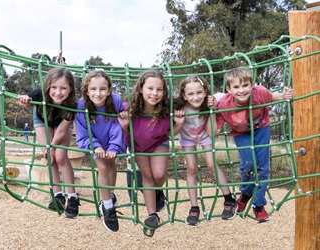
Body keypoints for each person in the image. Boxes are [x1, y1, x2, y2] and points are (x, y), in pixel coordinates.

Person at [207, 67, 293, 223]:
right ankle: (246, 193)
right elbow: (214, 132)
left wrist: (284, 95)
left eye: (245, 85)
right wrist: (211, 111)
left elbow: (273, 97)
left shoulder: (259, 93)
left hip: (262, 128)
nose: (241, 90)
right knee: (248, 164)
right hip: (240, 133)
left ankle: (258, 205)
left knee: (262, 167)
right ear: (229, 89)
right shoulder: (224, 105)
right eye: (236, 87)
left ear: (251, 85)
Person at [118, 70, 185, 237]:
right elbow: (123, 131)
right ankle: (152, 215)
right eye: (150, 88)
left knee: (159, 174)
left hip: (158, 143)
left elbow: (170, 133)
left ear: (164, 91)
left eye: (159, 89)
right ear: (141, 89)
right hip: (137, 145)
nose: (154, 93)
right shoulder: (129, 108)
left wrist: (179, 124)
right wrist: (124, 124)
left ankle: (157, 191)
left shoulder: (167, 108)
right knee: (147, 177)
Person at [174, 75, 237, 226]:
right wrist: (176, 117)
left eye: (199, 92)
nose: (196, 97)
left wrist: (213, 106)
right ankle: (194, 207)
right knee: (191, 168)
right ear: (184, 95)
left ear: (205, 91)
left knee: (211, 164)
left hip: (205, 134)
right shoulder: (179, 106)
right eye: (190, 94)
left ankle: (229, 199)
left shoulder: (211, 100)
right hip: (187, 137)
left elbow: (229, 96)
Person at [17, 67, 80, 219]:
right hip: (42, 118)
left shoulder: (72, 104)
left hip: (61, 125)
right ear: (47, 87)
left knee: (60, 156)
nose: (58, 92)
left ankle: (72, 197)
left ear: (70, 88)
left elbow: (61, 132)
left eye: (63, 88)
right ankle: (57, 195)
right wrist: (23, 100)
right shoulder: (39, 94)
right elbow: (25, 103)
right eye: (54, 87)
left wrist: (51, 146)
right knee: (48, 156)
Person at [75, 70, 125, 233]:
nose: (98, 93)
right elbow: (83, 130)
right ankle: (108, 207)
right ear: (87, 91)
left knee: (112, 164)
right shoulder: (82, 105)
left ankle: (110, 193)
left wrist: (113, 146)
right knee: (102, 168)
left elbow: (117, 125)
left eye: (103, 89)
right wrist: (95, 146)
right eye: (93, 89)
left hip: (112, 140)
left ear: (109, 90)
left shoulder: (115, 101)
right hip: (93, 140)